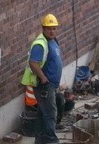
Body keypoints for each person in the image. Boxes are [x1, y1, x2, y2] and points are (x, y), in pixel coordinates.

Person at [21, 14, 63, 144]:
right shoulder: (40, 44)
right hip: (44, 85)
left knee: (43, 112)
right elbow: (33, 63)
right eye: (49, 28)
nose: (52, 31)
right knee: (50, 112)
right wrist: (43, 78)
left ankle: (40, 139)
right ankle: (51, 139)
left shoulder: (53, 41)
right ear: (43, 29)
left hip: (51, 84)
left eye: (54, 28)